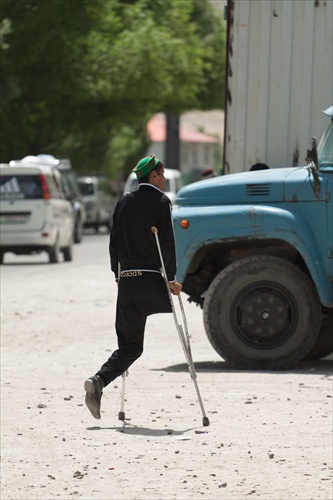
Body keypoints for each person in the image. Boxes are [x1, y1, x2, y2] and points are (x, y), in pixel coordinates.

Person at [84, 154, 182, 419]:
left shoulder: (124, 201)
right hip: (151, 281)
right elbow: (168, 245)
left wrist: (118, 276)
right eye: (161, 175)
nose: (163, 180)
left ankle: (99, 381)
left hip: (126, 281)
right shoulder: (161, 202)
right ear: (153, 176)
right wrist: (171, 278)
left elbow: (113, 243)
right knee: (139, 346)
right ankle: (99, 382)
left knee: (129, 345)